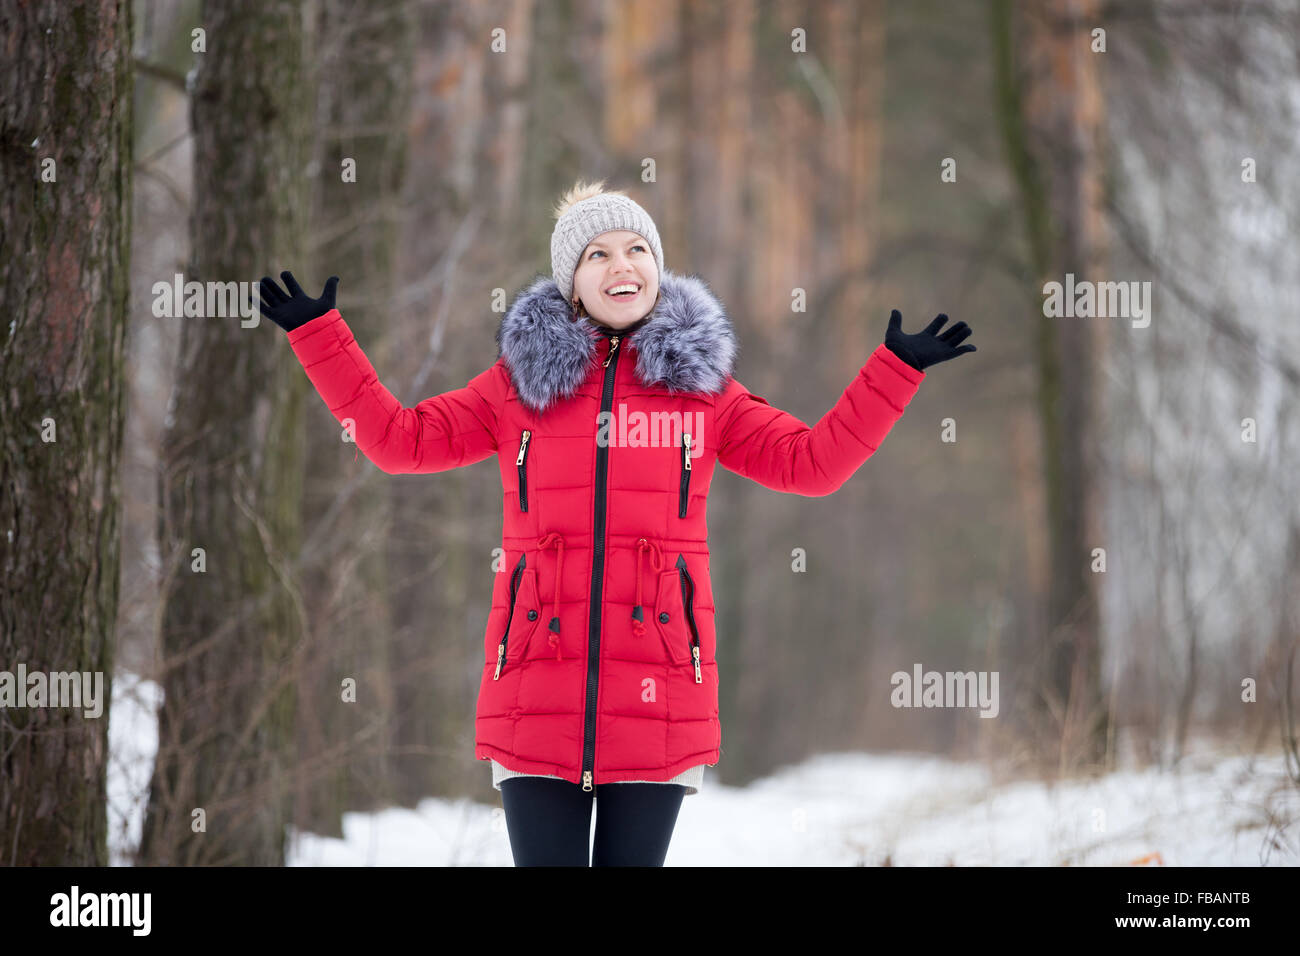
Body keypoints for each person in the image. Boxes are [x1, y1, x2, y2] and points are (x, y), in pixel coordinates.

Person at [259, 179, 975, 866]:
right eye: (597, 254)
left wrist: (895, 371)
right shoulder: (518, 384)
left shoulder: (703, 390)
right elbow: (399, 441)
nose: (620, 264)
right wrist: (318, 336)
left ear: (657, 270)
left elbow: (812, 464)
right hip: (535, 685)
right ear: (573, 281)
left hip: (663, 686)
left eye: (636, 249)